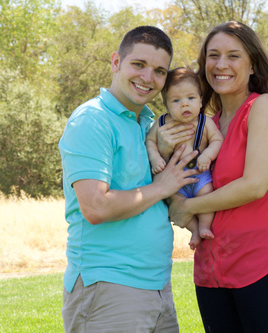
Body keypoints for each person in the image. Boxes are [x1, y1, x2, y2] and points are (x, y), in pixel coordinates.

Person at [58, 26, 200, 333]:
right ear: (115, 63)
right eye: (139, 65)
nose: (148, 77)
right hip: (109, 287)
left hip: (158, 286)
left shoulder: (150, 124)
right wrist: (161, 186)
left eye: (159, 71)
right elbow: (96, 206)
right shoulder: (92, 120)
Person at [158, 21, 268, 332]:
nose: (221, 64)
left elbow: (254, 185)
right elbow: (177, 181)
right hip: (211, 269)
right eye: (213, 55)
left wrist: (188, 208)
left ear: (252, 64)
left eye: (233, 56)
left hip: (262, 264)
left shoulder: (263, 107)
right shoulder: (206, 124)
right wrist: (163, 151)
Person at [146, 67, 223, 250]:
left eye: (191, 98)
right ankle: (194, 230)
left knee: (207, 194)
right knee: (174, 200)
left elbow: (217, 140)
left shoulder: (205, 123)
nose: (185, 105)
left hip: (199, 175)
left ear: (200, 99)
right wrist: (156, 158)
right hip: (174, 181)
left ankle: (204, 225)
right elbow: (149, 141)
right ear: (166, 105)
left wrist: (207, 155)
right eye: (176, 100)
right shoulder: (162, 123)